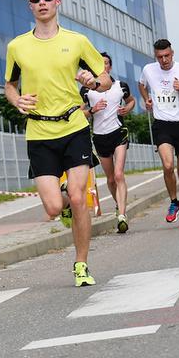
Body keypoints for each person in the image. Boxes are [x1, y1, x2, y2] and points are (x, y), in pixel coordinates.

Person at [5, 0, 111, 287]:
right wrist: (17, 100)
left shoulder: (77, 41)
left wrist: (92, 82)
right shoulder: (17, 46)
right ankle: (64, 204)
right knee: (53, 207)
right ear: (30, 5)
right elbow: (10, 85)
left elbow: (105, 80)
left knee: (79, 197)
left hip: (73, 126)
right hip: (39, 131)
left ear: (57, 2)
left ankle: (81, 264)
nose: (42, 2)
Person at [139, 39, 179, 226]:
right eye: (160, 57)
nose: (164, 60)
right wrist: (147, 99)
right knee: (168, 166)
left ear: (172, 53)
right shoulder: (149, 70)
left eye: (167, 56)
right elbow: (141, 85)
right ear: (155, 56)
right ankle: (173, 202)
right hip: (162, 124)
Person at [80, 52, 135, 233]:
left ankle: (122, 215)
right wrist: (92, 110)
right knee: (111, 179)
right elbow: (80, 113)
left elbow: (131, 101)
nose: (103, 66)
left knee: (119, 175)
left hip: (118, 132)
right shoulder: (86, 90)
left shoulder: (121, 86)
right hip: (99, 136)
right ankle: (119, 206)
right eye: (99, 63)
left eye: (106, 63)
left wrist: (126, 109)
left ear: (110, 67)